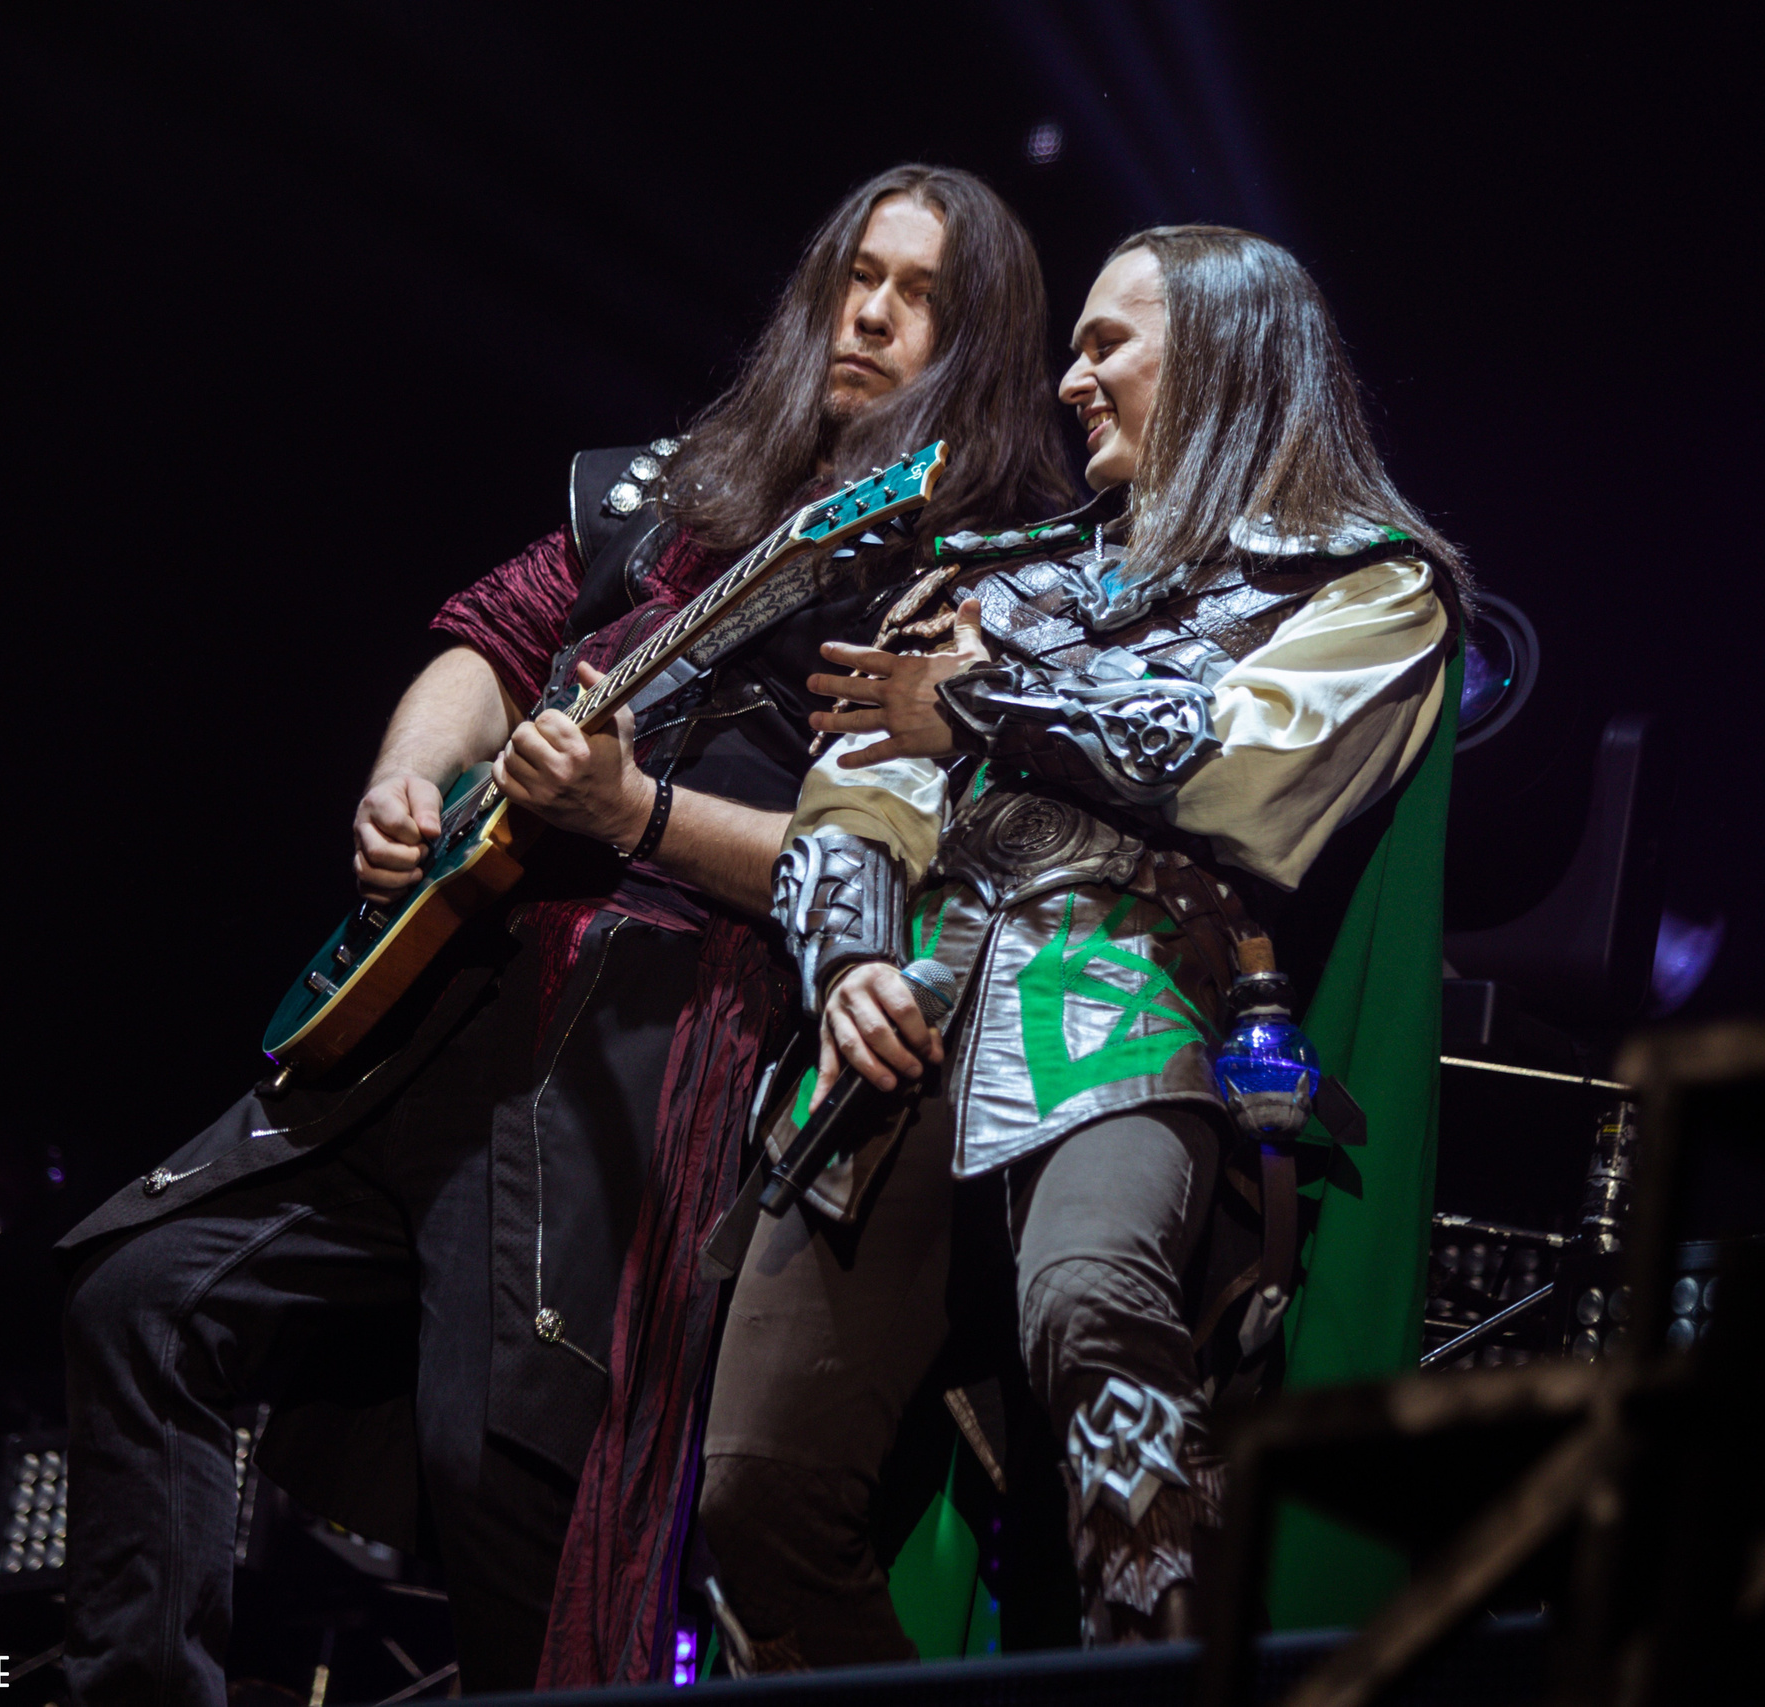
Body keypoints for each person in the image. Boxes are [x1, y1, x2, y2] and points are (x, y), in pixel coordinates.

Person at [55, 164, 1075, 1705]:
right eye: (858, 275)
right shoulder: (672, 493)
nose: (870, 313)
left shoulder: (972, 576)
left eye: (920, 294)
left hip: (647, 1031)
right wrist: (410, 776)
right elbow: (489, 636)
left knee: (511, 1472)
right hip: (442, 994)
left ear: (980, 341)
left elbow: (893, 864)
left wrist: (637, 812)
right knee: (139, 1299)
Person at [697, 225, 1472, 1664]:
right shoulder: (988, 576)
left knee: (1092, 1313)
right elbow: (852, 797)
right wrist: (848, 956)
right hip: (891, 1030)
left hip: (1126, 1013)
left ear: (1229, 356)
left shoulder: (1366, 589)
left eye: (1108, 341)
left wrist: (985, 706)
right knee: (751, 1491)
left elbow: (1249, 779)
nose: (1069, 377)